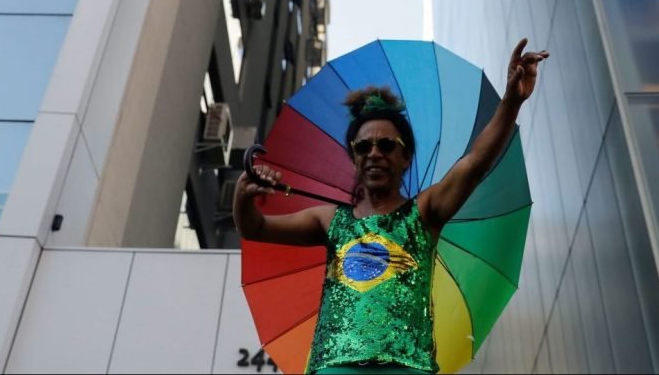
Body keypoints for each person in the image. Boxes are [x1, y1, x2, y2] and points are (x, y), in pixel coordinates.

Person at [234, 39, 548, 374]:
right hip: (334, 366)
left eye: (386, 145)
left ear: (405, 157)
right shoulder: (329, 220)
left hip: (407, 366)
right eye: (363, 146)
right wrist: (243, 195)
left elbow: (474, 164)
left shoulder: (425, 211)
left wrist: (512, 100)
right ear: (354, 158)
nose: (374, 153)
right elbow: (256, 227)